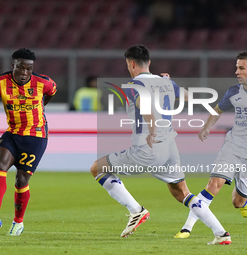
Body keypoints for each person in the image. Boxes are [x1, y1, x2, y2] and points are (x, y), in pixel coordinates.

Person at [89, 44, 231, 245]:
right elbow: (188, 97)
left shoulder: (133, 84)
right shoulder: (166, 82)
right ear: (149, 63)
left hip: (147, 148)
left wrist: (152, 128)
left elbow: (143, 104)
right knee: (182, 193)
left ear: (131, 64)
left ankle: (136, 211)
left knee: (97, 169)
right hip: (170, 147)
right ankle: (221, 233)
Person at [0, 48, 57, 236]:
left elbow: (52, 91)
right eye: (20, 68)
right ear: (12, 65)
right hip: (13, 133)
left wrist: (42, 104)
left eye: (29, 69)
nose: (24, 73)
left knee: (21, 180)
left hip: (36, 136)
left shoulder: (43, 82)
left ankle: (18, 222)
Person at [174, 51, 247, 239]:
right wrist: (206, 127)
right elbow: (217, 110)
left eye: (241, 68)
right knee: (214, 185)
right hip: (232, 147)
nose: (237, 72)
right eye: (236, 67)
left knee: (238, 202)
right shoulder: (233, 91)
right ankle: (186, 228)